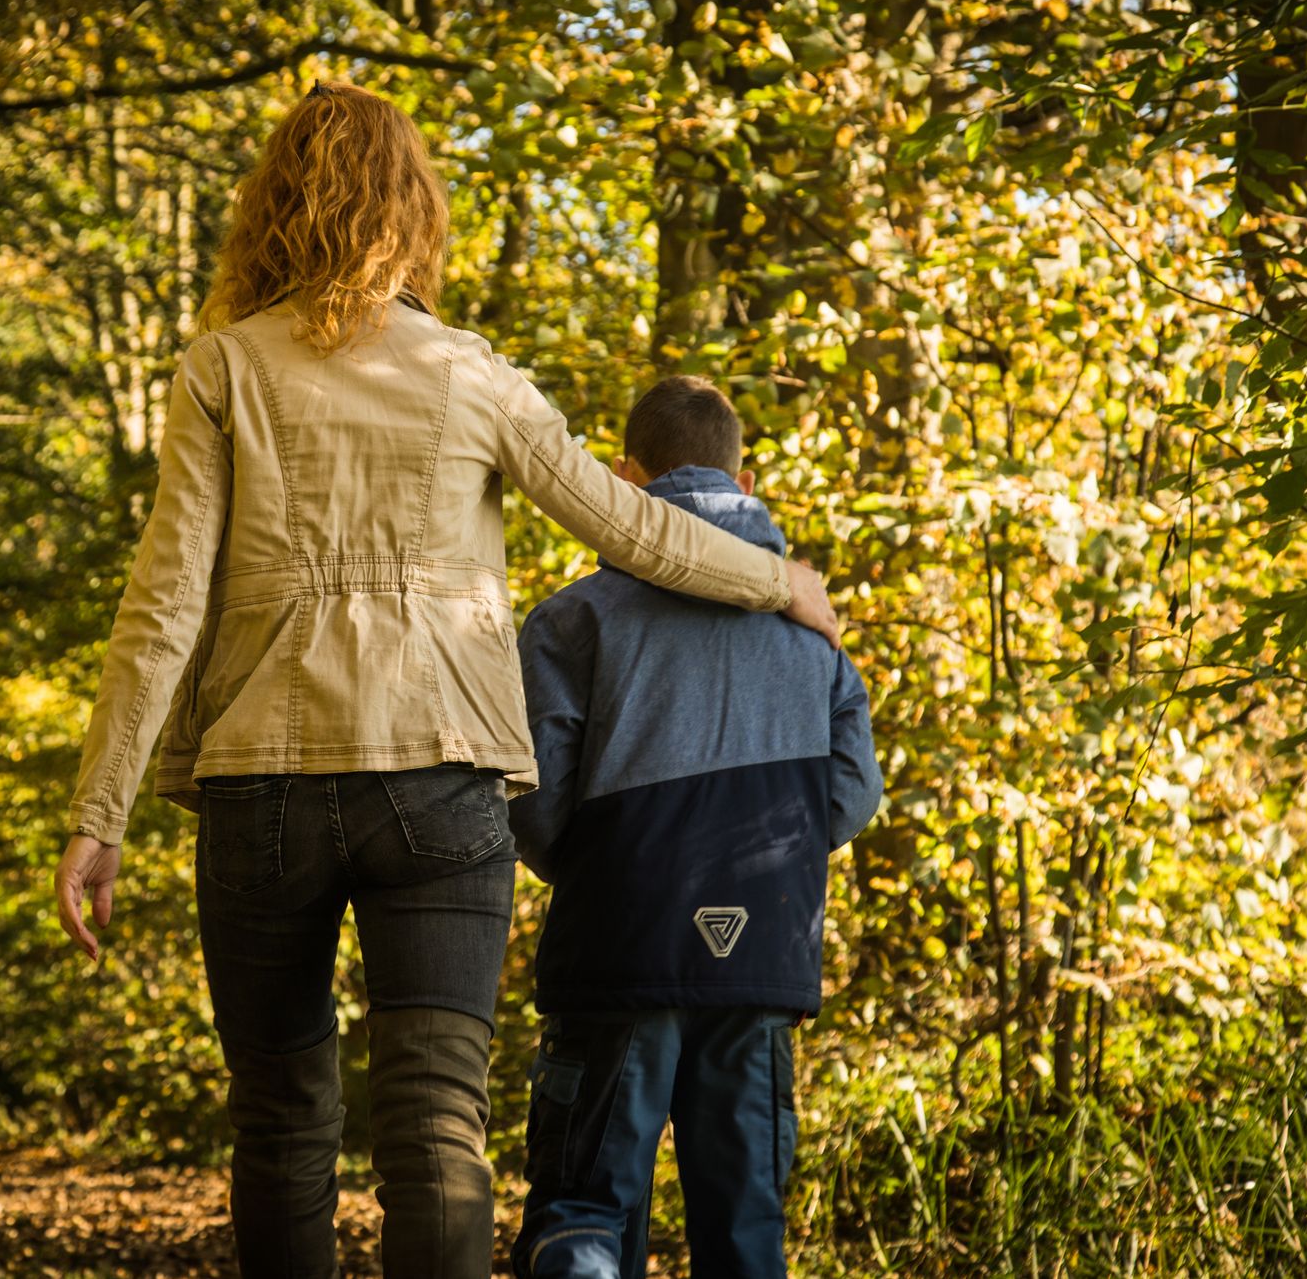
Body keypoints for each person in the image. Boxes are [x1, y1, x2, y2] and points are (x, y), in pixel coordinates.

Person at [50, 82, 841, 1279]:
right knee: (433, 1123)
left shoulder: (221, 369)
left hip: (261, 784)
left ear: (270, 211)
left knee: (279, 1118)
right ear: (414, 212)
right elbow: (625, 526)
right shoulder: (472, 374)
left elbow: (163, 606)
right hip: (440, 786)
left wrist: (96, 816)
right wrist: (774, 580)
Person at [508, 375, 884, 1279]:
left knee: (585, 1214)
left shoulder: (571, 621)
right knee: (745, 1227)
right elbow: (852, 793)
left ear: (626, 479)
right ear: (743, 484)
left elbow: (534, 793)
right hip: (762, 960)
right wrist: (773, 856)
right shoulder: (813, 630)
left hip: (618, 947)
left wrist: (601, 864)